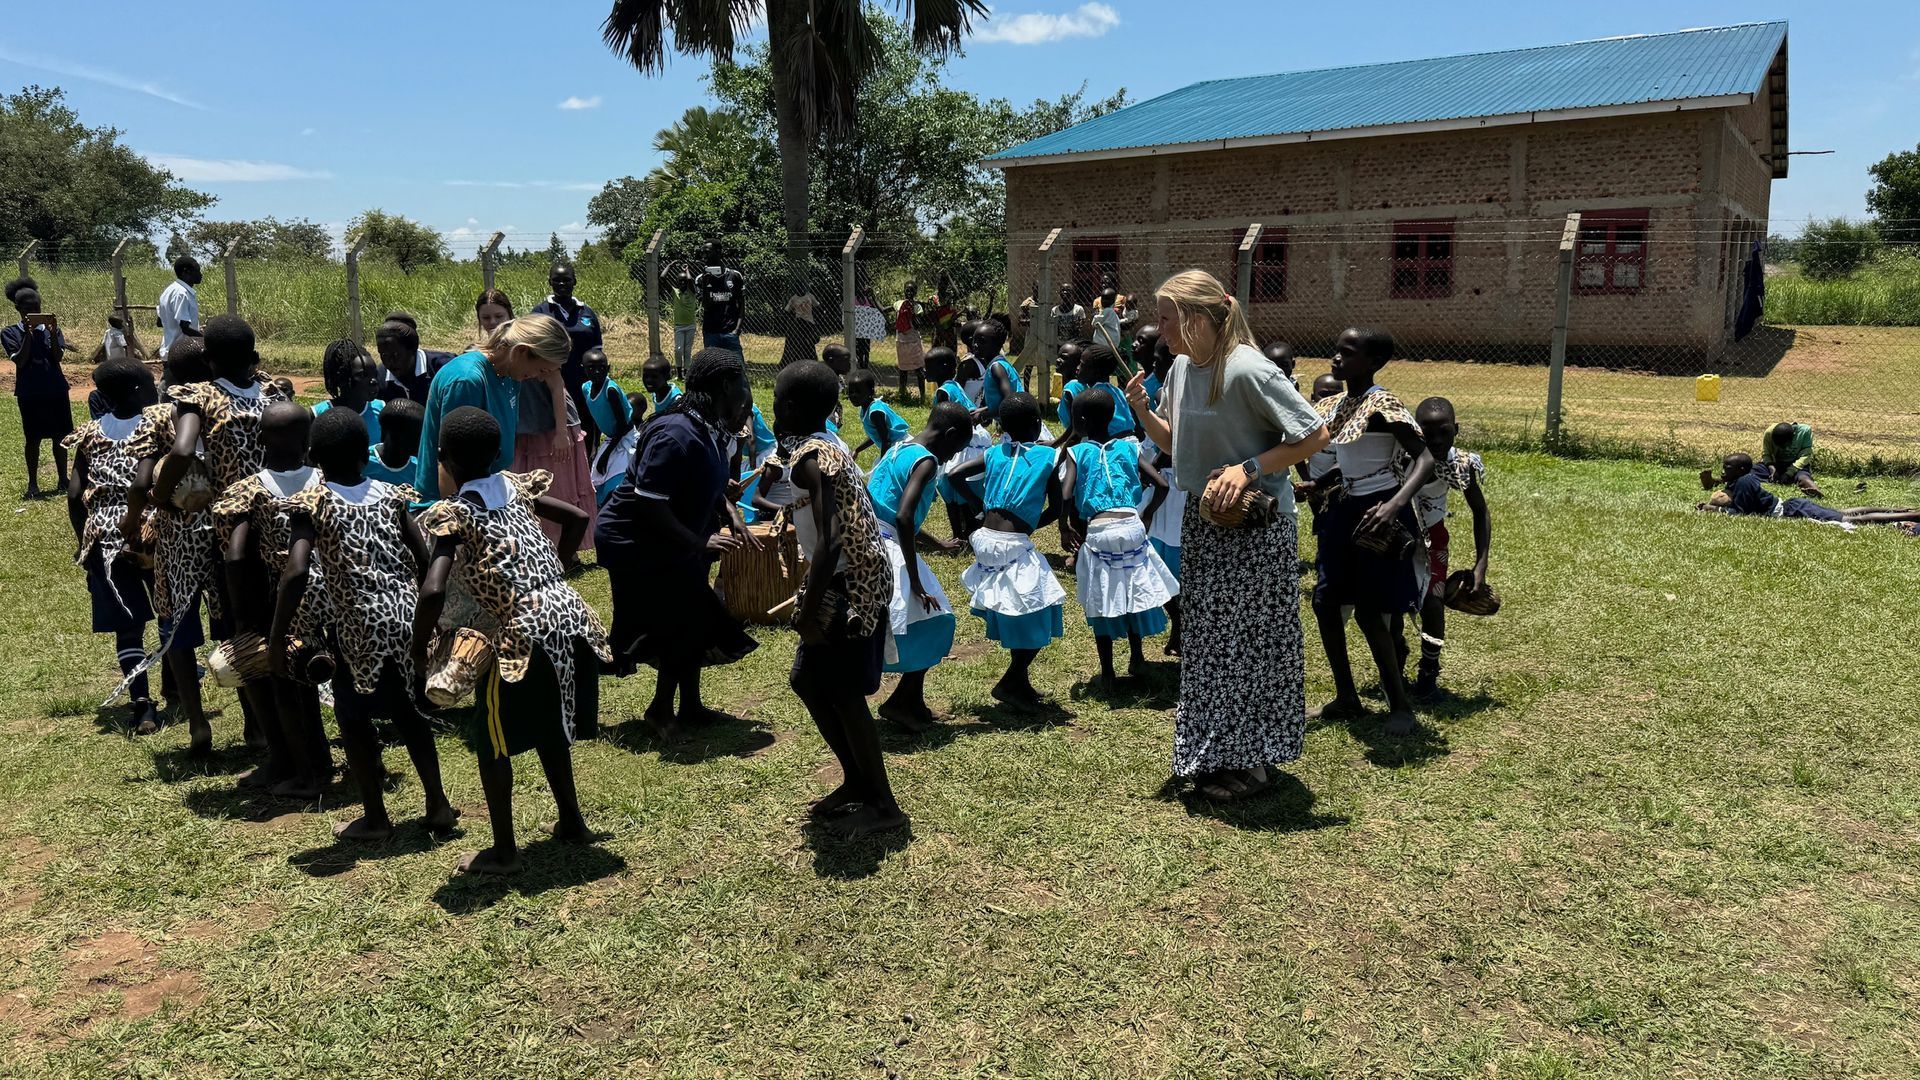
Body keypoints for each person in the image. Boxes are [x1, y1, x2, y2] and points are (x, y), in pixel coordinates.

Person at [1124, 270, 1330, 802]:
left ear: (1196, 318)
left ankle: (1254, 766)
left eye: (1168, 317)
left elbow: (1314, 433)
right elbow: (1176, 443)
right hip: (1206, 519)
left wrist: (1249, 468)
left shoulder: (1247, 370)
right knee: (1213, 642)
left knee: (1252, 644)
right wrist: (1144, 411)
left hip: (1257, 526)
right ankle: (1218, 755)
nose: (1160, 328)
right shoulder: (1181, 370)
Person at [414, 407, 610, 875]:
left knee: (491, 739)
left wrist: (416, 647)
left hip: (520, 633)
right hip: (569, 616)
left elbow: (434, 587)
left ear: (443, 458)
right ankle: (572, 822)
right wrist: (552, 575)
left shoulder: (456, 514)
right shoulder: (515, 488)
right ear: (496, 453)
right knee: (547, 727)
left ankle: (504, 852)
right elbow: (578, 517)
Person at [276, 407, 455, 840]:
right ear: (364, 452)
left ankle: (375, 818)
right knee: (409, 712)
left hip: (356, 625)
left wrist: (277, 633)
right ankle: (438, 804)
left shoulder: (311, 504)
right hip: (404, 614)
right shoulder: (393, 496)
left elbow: (297, 572)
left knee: (352, 719)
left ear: (314, 456)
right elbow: (422, 557)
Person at [594, 349, 759, 740]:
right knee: (675, 621)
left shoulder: (709, 427)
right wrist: (698, 541)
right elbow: (650, 503)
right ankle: (658, 711)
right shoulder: (675, 433)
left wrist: (730, 512)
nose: (744, 401)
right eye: (742, 388)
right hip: (636, 540)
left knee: (692, 615)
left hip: (676, 537)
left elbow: (702, 480)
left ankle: (690, 705)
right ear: (724, 386)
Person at [774, 362, 909, 836]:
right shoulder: (829, 443)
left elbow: (831, 541)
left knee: (845, 694)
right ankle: (857, 781)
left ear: (788, 408)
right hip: (852, 577)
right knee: (809, 681)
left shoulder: (811, 456)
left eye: (776, 400)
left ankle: (884, 804)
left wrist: (809, 610)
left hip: (851, 585)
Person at [1307, 328, 1435, 737]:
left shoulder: (1382, 404)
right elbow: (1350, 461)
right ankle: (1347, 696)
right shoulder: (1337, 404)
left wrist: (1395, 504)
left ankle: (1400, 705)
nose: (1337, 358)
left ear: (1374, 363)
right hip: (1344, 509)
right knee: (1326, 603)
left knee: (1369, 611)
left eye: (1348, 352)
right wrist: (1320, 483)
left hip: (1378, 512)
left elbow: (1426, 457)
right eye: (1337, 350)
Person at [212, 401, 330, 798]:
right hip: (336, 597)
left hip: (287, 602)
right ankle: (334, 762)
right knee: (337, 678)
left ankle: (303, 772)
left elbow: (235, 553)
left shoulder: (247, 490)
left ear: (261, 439)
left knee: (287, 685)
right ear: (309, 438)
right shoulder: (327, 479)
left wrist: (243, 615)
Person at [119, 337, 216, 753]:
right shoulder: (228, 404)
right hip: (227, 529)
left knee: (177, 623)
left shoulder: (161, 416)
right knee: (234, 622)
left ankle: (197, 724)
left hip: (178, 536)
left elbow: (142, 481)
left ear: (169, 377)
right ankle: (255, 722)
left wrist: (136, 516)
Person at [64, 357, 166, 734]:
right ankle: (179, 683)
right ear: (139, 390)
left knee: (128, 626)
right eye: (150, 381)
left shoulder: (89, 432)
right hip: (153, 531)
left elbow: (75, 494)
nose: (156, 386)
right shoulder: (156, 425)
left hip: (104, 536)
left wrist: (83, 541)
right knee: (169, 612)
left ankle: (141, 704)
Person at [948, 393, 1067, 709]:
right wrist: (1030, 526)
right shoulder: (1047, 457)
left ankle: (1021, 681)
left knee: (1022, 607)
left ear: (1002, 426)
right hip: (1011, 546)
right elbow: (1057, 508)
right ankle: (1011, 682)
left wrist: (979, 505)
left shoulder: (994, 453)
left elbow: (952, 475)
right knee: (1041, 609)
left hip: (983, 539)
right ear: (1038, 424)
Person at [1061, 389, 1179, 686]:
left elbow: (1066, 492)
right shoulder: (1129, 447)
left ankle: (1108, 673)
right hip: (1131, 526)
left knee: (1102, 596)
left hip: (1100, 531)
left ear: (1082, 421)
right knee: (1132, 591)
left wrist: (1064, 525)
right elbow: (1161, 484)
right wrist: (1148, 513)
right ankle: (1137, 658)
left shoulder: (1077, 452)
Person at [867, 402, 971, 731]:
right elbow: (902, 516)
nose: (953, 457)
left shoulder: (901, 447)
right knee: (936, 619)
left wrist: (937, 544)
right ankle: (903, 701)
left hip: (871, 537)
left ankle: (911, 700)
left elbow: (886, 508)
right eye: (957, 449)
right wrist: (915, 581)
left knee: (915, 620)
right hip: (889, 548)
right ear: (950, 436)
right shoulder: (926, 463)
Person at [415, 314, 570, 500]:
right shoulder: (467, 381)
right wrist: (455, 520)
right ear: (521, 351)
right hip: (452, 505)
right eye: (542, 369)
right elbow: (449, 464)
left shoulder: (510, 376)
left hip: (486, 492)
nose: (539, 377)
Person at [1405, 397, 1491, 699]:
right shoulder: (1401, 457)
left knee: (1433, 602)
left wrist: (1480, 565)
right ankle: (1395, 664)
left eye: (1445, 432)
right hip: (1398, 539)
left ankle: (1428, 673)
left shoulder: (1458, 464)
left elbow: (1480, 512)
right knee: (1391, 604)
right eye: (1428, 433)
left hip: (1432, 542)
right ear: (1416, 431)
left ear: (1456, 429)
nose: (1437, 440)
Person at [1696, 454, 1920, 527]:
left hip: (1793, 511)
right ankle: (1900, 509)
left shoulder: (1745, 482)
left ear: (1742, 469)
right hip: (1794, 505)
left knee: (1848, 518)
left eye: (1728, 467)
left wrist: (1711, 510)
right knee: (1846, 511)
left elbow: (1740, 513)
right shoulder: (1740, 480)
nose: (1724, 470)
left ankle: (1910, 514)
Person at [4, 278, 73, 497]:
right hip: (30, 392)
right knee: (32, 438)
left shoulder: (53, 330)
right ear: (18, 309)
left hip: (56, 389)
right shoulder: (10, 333)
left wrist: (52, 335)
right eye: (28, 309)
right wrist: (29, 334)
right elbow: (20, 361)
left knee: (60, 436)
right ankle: (33, 483)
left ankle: (63, 478)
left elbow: (57, 357)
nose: (33, 312)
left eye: (37, 308)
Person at [531, 263, 605, 437]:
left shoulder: (587, 313)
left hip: (584, 382)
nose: (562, 284)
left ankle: (587, 461)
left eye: (567, 280)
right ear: (550, 282)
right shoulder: (540, 312)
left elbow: (597, 348)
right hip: (551, 382)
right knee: (556, 428)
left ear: (575, 282)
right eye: (557, 280)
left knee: (586, 427)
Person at [927, 347, 992, 542]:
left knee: (949, 483)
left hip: (962, 440)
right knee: (955, 487)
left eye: (928, 366)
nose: (924, 370)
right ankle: (965, 531)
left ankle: (962, 530)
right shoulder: (953, 386)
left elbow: (942, 421)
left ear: (943, 367)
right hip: (971, 437)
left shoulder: (945, 391)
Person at [312, 339, 385, 446]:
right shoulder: (318, 414)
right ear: (342, 379)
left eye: (374, 374)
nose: (373, 381)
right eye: (363, 375)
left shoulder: (381, 410)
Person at [374, 317, 456, 405]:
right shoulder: (380, 377)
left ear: (413, 349)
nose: (390, 361)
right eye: (384, 355)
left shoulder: (444, 367)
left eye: (396, 355)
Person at [1068, 341, 1137, 443]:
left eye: (1082, 364)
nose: (1077, 368)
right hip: (1132, 441)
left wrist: (1056, 453)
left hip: (1113, 445)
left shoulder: (1094, 396)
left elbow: (1076, 435)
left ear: (1096, 371)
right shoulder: (1117, 391)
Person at [694, 244, 745, 353]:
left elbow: (741, 304)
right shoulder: (700, 279)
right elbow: (706, 306)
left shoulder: (734, 276)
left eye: (707, 252)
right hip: (711, 333)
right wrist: (706, 285)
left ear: (718, 252)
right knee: (713, 367)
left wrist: (737, 329)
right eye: (703, 253)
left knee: (737, 366)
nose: (704, 256)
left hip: (730, 333)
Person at [848, 370, 909, 459]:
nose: (853, 395)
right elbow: (876, 435)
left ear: (871, 392)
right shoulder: (865, 407)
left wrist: (883, 464)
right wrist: (857, 450)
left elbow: (886, 441)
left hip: (900, 447)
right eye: (850, 392)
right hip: (892, 447)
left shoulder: (875, 412)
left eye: (858, 392)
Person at [580, 346, 632, 447]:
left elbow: (622, 426)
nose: (597, 372)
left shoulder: (610, 390)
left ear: (608, 368)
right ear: (583, 369)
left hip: (625, 437)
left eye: (602, 368)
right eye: (591, 368)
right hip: (612, 438)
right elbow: (597, 417)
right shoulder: (586, 388)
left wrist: (607, 453)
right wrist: (595, 446)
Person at [971, 320, 1023, 421]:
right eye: (974, 340)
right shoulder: (998, 364)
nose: (975, 345)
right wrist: (984, 410)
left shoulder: (997, 367)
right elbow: (1002, 401)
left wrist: (983, 416)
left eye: (981, 341)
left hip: (1018, 425)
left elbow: (1009, 402)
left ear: (997, 344)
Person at [1757, 422, 1821, 498]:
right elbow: (1766, 454)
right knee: (1755, 469)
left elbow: (1805, 456)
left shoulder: (1805, 431)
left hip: (1797, 466)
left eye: (1784, 446)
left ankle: (1812, 487)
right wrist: (1772, 469)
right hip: (1776, 464)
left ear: (1793, 438)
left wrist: (1789, 473)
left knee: (1802, 476)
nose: (1781, 448)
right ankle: (1743, 479)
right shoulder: (1769, 433)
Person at [155, 256, 201, 359]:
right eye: (197, 270)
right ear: (186, 271)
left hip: (170, 351)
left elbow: (159, 322)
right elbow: (185, 327)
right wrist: (204, 339)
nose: (200, 274)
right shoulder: (181, 293)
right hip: (182, 354)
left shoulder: (169, 290)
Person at [893, 282, 926, 399]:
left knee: (919, 370)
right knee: (903, 370)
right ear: (904, 291)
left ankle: (922, 397)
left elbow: (918, 326)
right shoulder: (898, 304)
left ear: (915, 292)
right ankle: (902, 394)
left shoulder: (917, 307)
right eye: (907, 290)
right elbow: (883, 309)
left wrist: (911, 312)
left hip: (913, 341)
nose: (909, 293)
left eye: (912, 291)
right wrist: (872, 298)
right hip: (901, 341)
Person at [667, 265, 700, 376]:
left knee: (687, 351)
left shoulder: (692, 292)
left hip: (690, 326)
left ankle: (685, 373)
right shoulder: (675, 292)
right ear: (677, 282)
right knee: (678, 350)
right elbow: (662, 278)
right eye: (680, 281)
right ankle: (679, 372)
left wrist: (686, 270)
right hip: (679, 326)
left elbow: (690, 279)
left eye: (684, 282)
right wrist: (670, 266)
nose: (682, 283)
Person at [782, 280, 820, 367]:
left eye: (802, 287)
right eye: (799, 288)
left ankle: (812, 358)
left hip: (810, 322)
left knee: (811, 341)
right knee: (801, 342)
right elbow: (787, 310)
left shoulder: (809, 296)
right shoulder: (794, 298)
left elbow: (817, 306)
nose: (801, 289)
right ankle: (802, 359)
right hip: (799, 323)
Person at [852, 285, 885, 369]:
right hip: (858, 329)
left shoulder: (868, 300)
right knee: (858, 347)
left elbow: (877, 308)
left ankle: (865, 365)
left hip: (867, 329)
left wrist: (872, 298)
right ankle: (860, 363)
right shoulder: (854, 300)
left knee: (866, 348)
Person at [1049, 285, 1086, 359]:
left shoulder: (1078, 309)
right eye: (1063, 290)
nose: (1065, 292)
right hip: (1059, 343)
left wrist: (1077, 325)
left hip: (1074, 343)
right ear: (1059, 293)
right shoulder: (1055, 310)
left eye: (1068, 290)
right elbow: (1052, 327)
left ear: (1073, 293)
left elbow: (1081, 323)